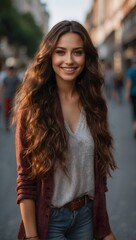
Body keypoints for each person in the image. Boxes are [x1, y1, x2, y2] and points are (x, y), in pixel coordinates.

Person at [13, 20, 117, 240]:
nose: (69, 60)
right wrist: (32, 235)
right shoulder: (33, 106)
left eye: (77, 52)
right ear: (49, 55)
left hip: (86, 217)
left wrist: (104, 227)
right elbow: (26, 179)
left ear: (86, 57)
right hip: (50, 221)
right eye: (61, 52)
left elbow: (98, 177)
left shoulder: (94, 103)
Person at [3, 57, 20, 130]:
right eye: (10, 69)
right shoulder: (5, 78)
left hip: (13, 97)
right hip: (6, 97)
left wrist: (18, 96)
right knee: (7, 111)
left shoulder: (16, 78)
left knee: (13, 111)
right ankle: (7, 124)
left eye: (12, 69)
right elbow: (3, 87)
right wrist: (2, 96)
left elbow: (18, 87)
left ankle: (12, 124)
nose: (11, 70)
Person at [126, 55, 136, 138]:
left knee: (134, 112)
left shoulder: (130, 71)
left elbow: (129, 83)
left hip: (134, 94)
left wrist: (127, 94)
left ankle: (135, 128)